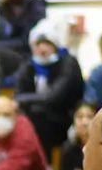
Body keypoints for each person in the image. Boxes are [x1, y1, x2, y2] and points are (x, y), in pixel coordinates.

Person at [13, 27, 84, 156]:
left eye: (47, 44)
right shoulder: (29, 64)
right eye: (38, 44)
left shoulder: (68, 63)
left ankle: (46, 166)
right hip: (37, 118)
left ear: (55, 46)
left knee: (39, 114)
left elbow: (52, 97)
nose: (42, 49)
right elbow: (17, 94)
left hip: (65, 118)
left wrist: (24, 99)